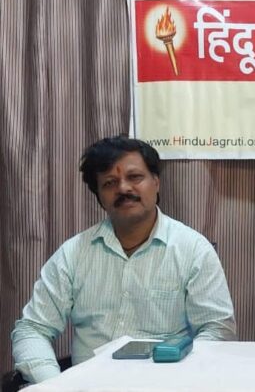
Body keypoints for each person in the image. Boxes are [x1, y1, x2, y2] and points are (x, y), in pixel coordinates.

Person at [12, 136, 237, 383]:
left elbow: (217, 330)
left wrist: (183, 378)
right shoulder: (73, 254)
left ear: (156, 182)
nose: (123, 188)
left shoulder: (193, 250)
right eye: (109, 183)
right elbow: (32, 328)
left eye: (135, 177)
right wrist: (54, 385)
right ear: (99, 196)